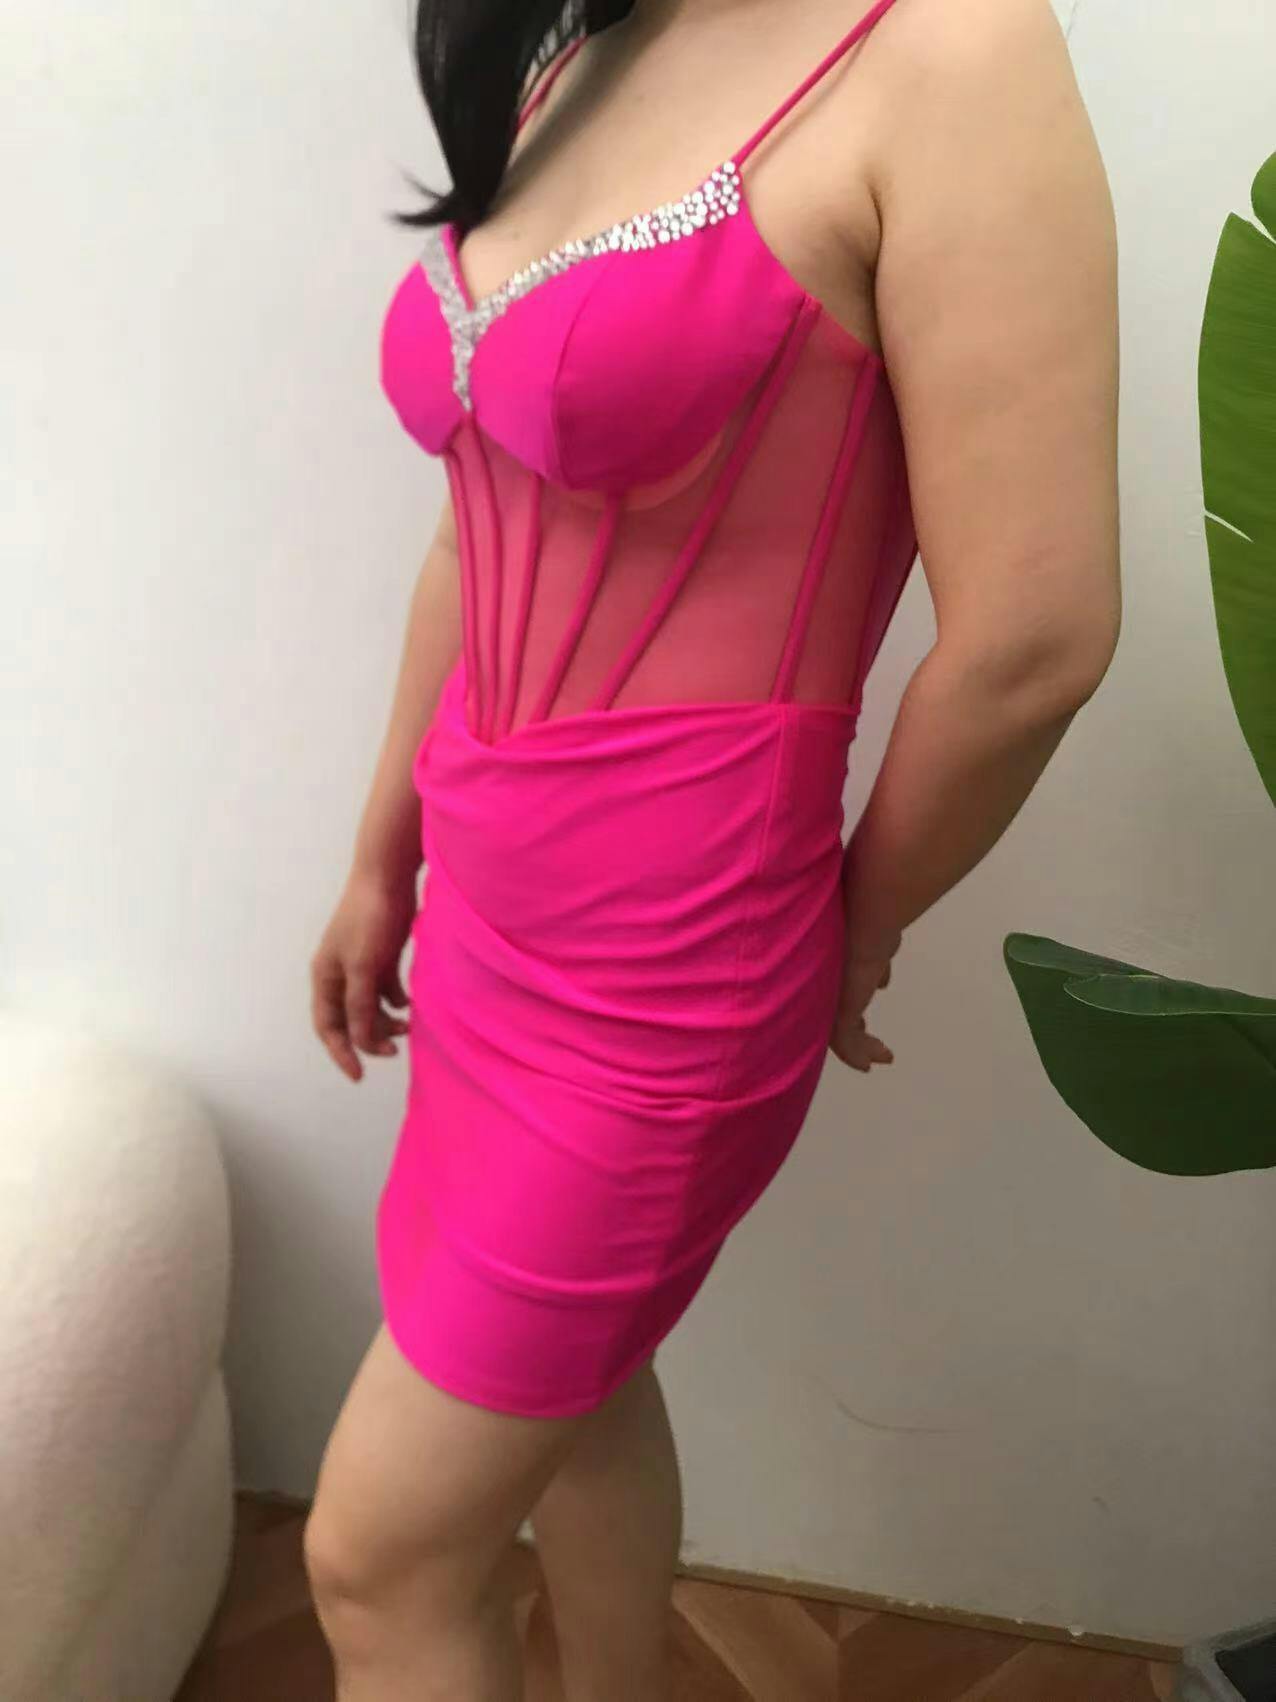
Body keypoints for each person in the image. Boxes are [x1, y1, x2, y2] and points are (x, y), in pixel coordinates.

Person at [305, 0, 1120, 1695]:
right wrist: (384, 849)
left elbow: (1035, 637)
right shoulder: (580, 47)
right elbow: (480, 511)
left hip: (671, 965)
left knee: (378, 1561)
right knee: (581, 1396)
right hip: (485, 911)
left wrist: (858, 923)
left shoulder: (950, 52)